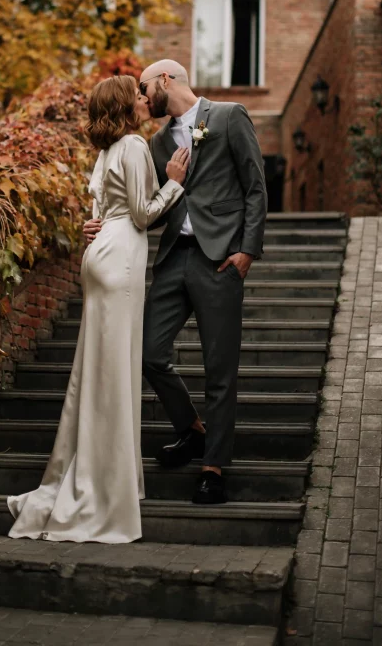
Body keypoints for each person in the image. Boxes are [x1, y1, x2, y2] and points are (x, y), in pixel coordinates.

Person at [7, 75, 189, 544]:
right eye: (138, 94)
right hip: (120, 260)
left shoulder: (107, 150)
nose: (145, 98)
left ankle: (108, 478)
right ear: (126, 106)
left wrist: (99, 225)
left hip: (101, 255)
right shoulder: (131, 146)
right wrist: (173, 184)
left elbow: (103, 210)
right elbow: (143, 214)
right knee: (115, 376)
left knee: (99, 373)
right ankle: (106, 491)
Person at [84, 59, 267, 505]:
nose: (142, 98)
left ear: (166, 79)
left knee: (219, 368)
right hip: (172, 260)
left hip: (219, 260)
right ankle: (190, 428)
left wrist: (247, 250)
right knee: (147, 353)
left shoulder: (228, 116)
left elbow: (255, 187)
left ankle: (213, 466)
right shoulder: (156, 141)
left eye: (145, 88)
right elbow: (145, 205)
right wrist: (103, 224)